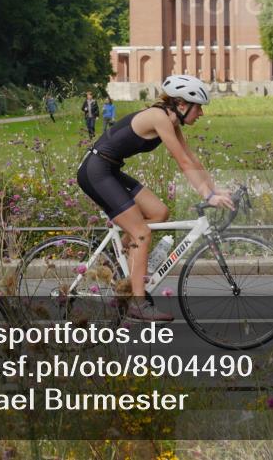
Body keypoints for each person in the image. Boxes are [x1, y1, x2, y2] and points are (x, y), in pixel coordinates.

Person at [77, 75, 234, 322]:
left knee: (159, 213)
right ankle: (137, 305)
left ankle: (123, 265)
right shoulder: (159, 117)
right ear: (182, 105)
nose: (201, 113)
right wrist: (206, 195)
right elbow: (181, 162)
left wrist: (215, 189)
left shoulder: (171, 121)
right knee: (141, 233)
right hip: (95, 172)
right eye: (199, 107)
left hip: (110, 170)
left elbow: (191, 158)